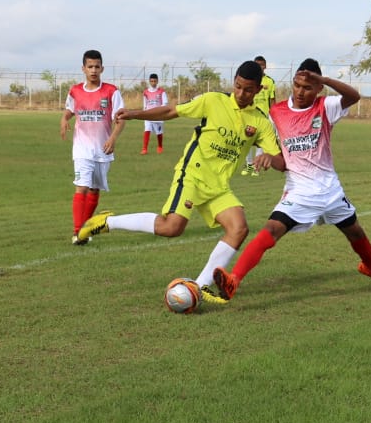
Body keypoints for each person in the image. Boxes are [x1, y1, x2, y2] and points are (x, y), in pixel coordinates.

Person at [76, 60, 284, 306]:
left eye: (248, 90)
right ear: (234, 82)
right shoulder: (213, 100)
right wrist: (134, 114)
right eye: (238, 86)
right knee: (172, 228)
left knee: (239, 228)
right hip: (192, 174)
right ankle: (107, 221)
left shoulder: (260, 122)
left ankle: (199, 286)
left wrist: (270, 157)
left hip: (219, 186)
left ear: (258, 90)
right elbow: (171, 111)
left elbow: (282, 162)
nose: (241, 93)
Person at [212, 59, 371, 301]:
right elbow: (282, 162)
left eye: (307, 87)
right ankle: (233, 280)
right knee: (271, 229)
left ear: (318, 88)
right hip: (299, 191)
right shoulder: (277, 112)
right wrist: (268, 157)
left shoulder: (325, 107)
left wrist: (326, 80)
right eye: (297, 85)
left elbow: (354, 96)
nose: (300, 92)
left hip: (329, 190)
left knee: (355, 233)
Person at [61, 50, 125, 242]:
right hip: (81, 149)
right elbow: (68, 110)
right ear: (83, 69)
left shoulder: (111, 91)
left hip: (103, 149)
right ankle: (78, 231)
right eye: (90, 66)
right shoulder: (75, 91)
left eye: (97, 66)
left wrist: (113, 138)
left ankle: (85, 228)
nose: (94, 70)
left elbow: (121, 120)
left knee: (95, 189)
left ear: (102, 68)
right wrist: (63, 120)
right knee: (81, 187)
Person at [242, 55, 276, 176]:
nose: (260, 67)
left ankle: (256, 168)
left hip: (264, 118)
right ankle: (249, 166)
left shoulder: (270, 82)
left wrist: (273, 116)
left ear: (265, 66)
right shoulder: (250, 80)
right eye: (258, 65)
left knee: (260, 143)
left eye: (262, 65)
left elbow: (272, 100)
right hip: (250, 116)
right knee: (248, 141)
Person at [140, 73, 168, 154]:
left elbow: (165, 103)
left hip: (158, 115)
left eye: (154, 81)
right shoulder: (145, 92)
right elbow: (145, 104)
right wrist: (144, 112)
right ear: (149, 81)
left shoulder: (161, 91)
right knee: (147, 130)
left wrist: (160, 110)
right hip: (148, 115)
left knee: (159, 132)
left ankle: (160, 146)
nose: (153, 83)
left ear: (157, 81)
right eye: (151, 81)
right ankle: (144, 149)